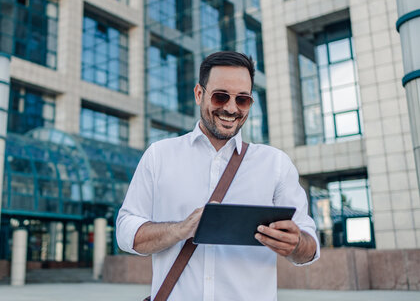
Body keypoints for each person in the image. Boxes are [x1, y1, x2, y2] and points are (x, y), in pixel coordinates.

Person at [116, 51, 319, 301]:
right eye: (221, 96)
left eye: (242, 100)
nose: (231, 108)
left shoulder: (276, 164)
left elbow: (309, 247)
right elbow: (126, 231)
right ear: (199, 94)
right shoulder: (159, 156)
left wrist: (296, 244)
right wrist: (181, 229)